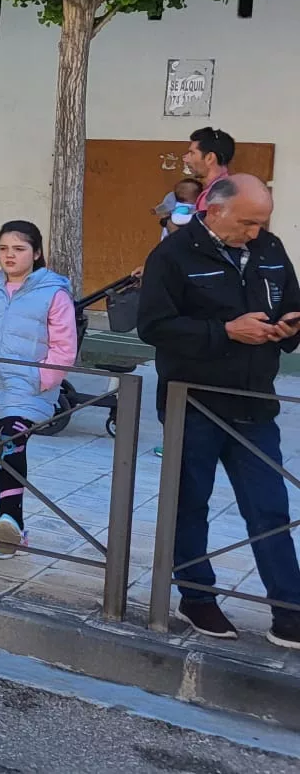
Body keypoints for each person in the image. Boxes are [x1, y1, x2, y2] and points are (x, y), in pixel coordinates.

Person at [138, 175, 300, 648]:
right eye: (247, 222)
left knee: (270, 507)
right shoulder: (172, 255)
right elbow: (154, 327)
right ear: (214, 211)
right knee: (190, 504)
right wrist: (226, 331)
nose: (255, 232)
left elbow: (292, 303)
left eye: (262, 222)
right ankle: (197, 596)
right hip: (193, 402)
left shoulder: (270, 248)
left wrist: (289, 327)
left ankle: (289, 609)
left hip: (254, 401)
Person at [0, 221, 77, 559]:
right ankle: (13, 528)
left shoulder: (54, 292)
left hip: (28, 388)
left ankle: (9, 522)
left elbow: (64, 347)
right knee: (1, 452)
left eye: (19, 249)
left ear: (37, 252)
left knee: (10, 443)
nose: (10, 255)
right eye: (3, 249)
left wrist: (41, 380)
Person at [184, 127, 235, 213]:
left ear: (210, 158)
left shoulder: (216, 196)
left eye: (192, 153)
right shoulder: (227, 187)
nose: (186, 159)